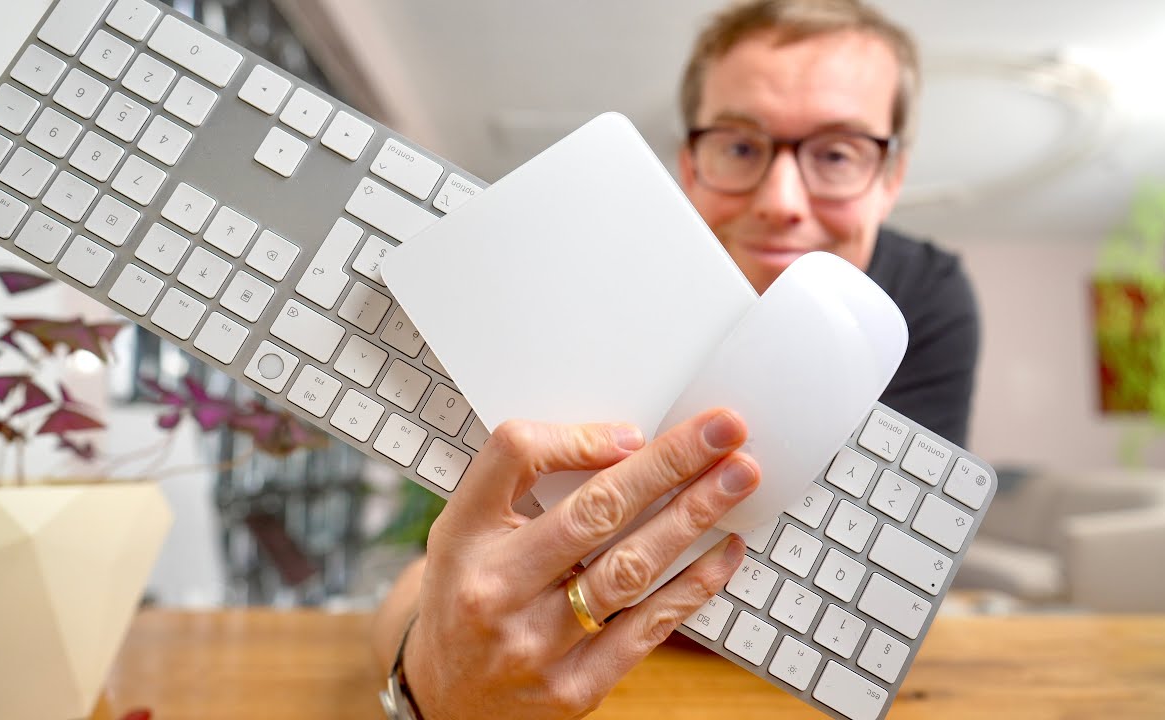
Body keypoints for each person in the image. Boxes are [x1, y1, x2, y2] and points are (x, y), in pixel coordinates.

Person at [371, 1, 980, 718]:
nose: (783, 202)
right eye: (741, 147)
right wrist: (427, 685)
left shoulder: (927, 300)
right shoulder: (591, 270)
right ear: (690, 164)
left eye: (838, 154)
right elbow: (449, 568)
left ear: (891, 176)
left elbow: (881, 585)